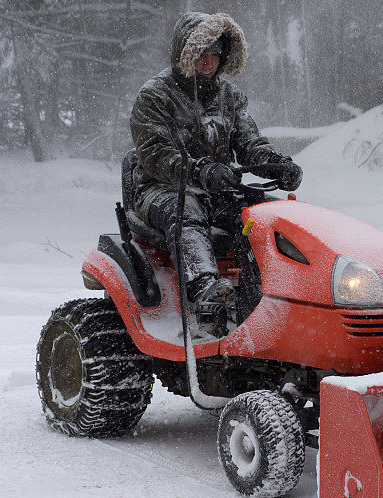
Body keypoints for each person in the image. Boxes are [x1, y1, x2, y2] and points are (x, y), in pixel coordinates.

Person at [129, 12, 302, 312]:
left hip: (218, 189)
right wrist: (199, 170)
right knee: (187, 207)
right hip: (160, 190)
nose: (208, 63)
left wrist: (274, 163)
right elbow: (156, 154)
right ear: (184, 54)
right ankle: (204, 287)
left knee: (271, 213)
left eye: (214, 55)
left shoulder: (230, 96)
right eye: (200, 55)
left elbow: (249, 142)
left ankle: (277, 287)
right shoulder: (154, 96)